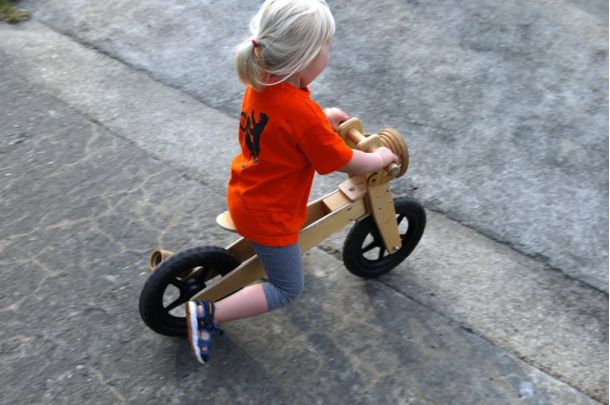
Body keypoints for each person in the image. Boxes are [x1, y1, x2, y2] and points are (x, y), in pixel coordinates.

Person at [185, 0, 398, 364]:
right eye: (326, 46)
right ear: (305, 58)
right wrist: (377, 159)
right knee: (287, 289)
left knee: (280, 249)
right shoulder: (301, 112)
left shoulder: (261, 83)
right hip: (271, 214)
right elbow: (340, 160)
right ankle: (208, 313)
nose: (330, 52)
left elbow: (287, 130)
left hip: (246, 192)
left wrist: (322, 120)